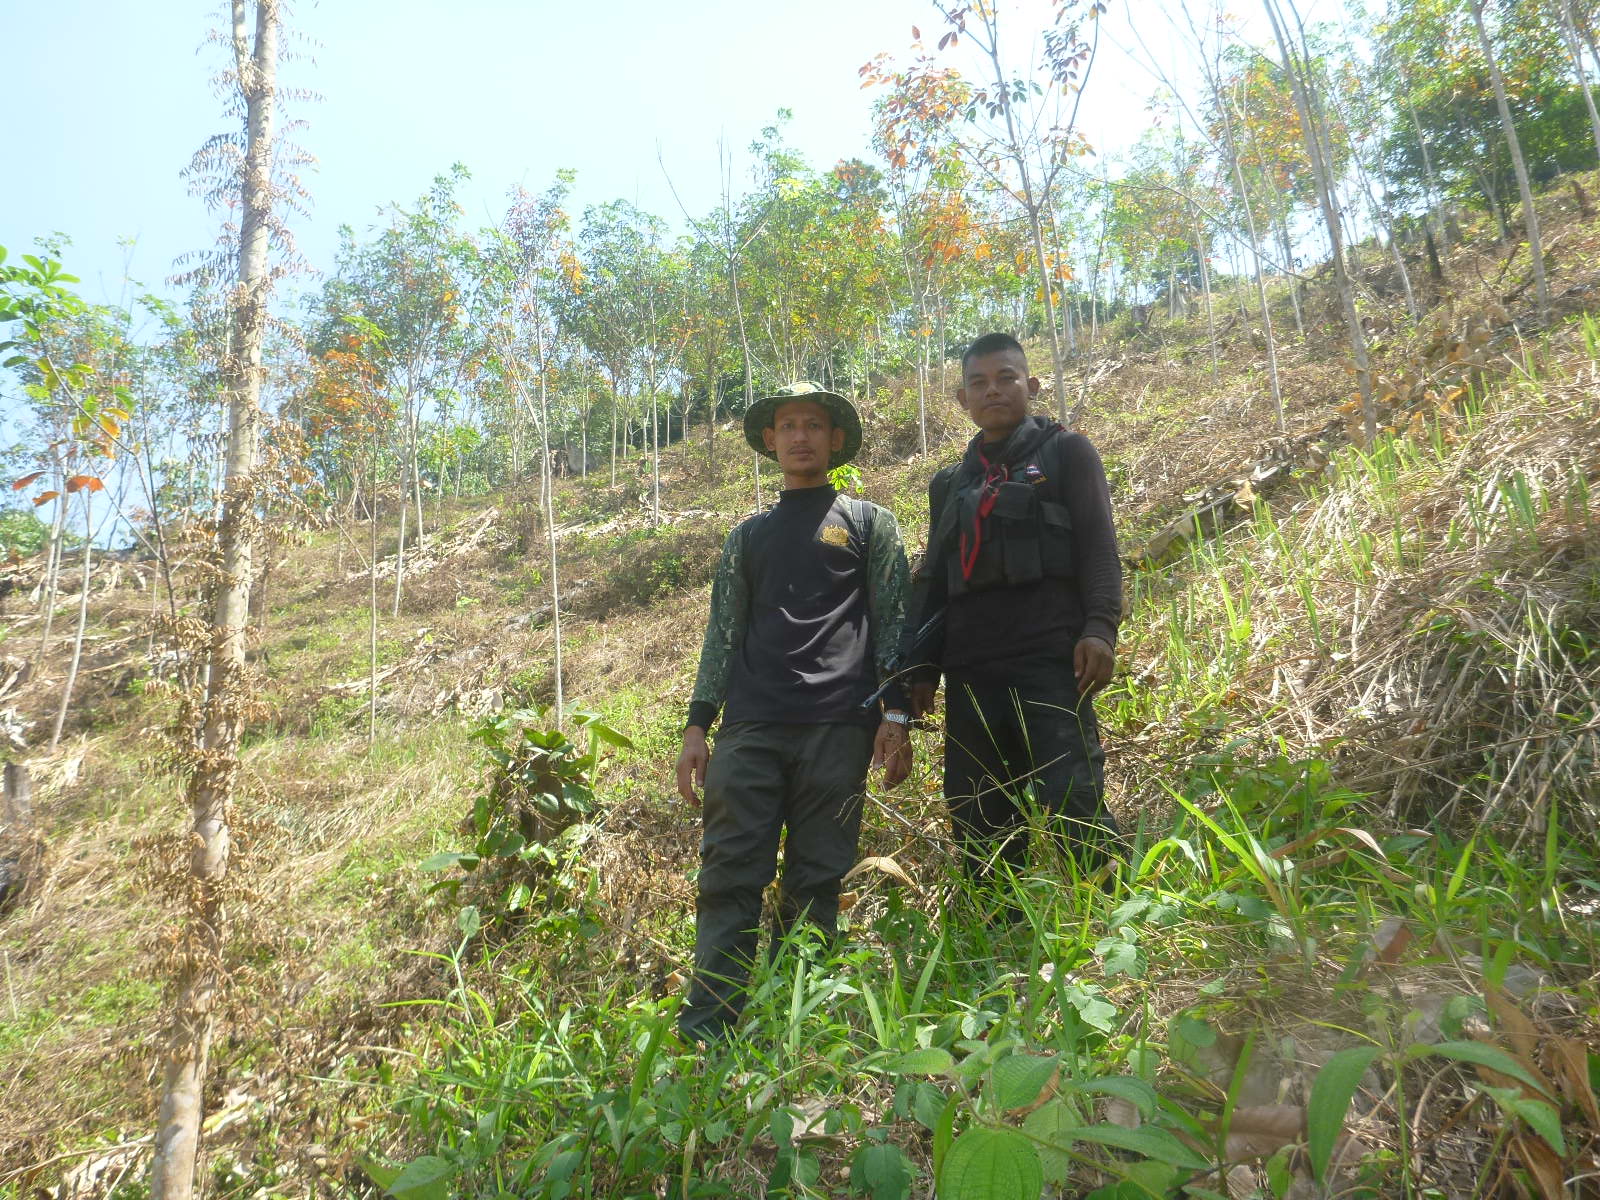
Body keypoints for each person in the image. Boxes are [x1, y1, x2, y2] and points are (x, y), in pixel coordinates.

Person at [675, 380, 912, 1041]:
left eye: (813, 425)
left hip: (838, 727)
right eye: (787, 426)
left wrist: (896, 717)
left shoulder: (868, 524)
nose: (800, 436)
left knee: (817, 879)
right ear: (770, 441)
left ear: (835, 439)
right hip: (750, 729)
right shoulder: (747, 536)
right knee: (729, 873)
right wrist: (698, 726)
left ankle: (795, 1031)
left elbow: (894, 621)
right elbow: (723, 633)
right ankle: (708, 1030)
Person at [903, 332, 1123, 901]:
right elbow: (933, 578)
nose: (993, 391)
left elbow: (1099, 547)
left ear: (1032, 384)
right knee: (977, 809)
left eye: (1006, 378)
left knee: (1073, 794)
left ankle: (1110, 919)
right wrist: (921, 669)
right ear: (962, 399)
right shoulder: (949, 483)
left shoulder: (1067, 452)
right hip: (971, 668)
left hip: (1051, 658)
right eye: (978, 383)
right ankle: (998, 928)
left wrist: (1100, 628)